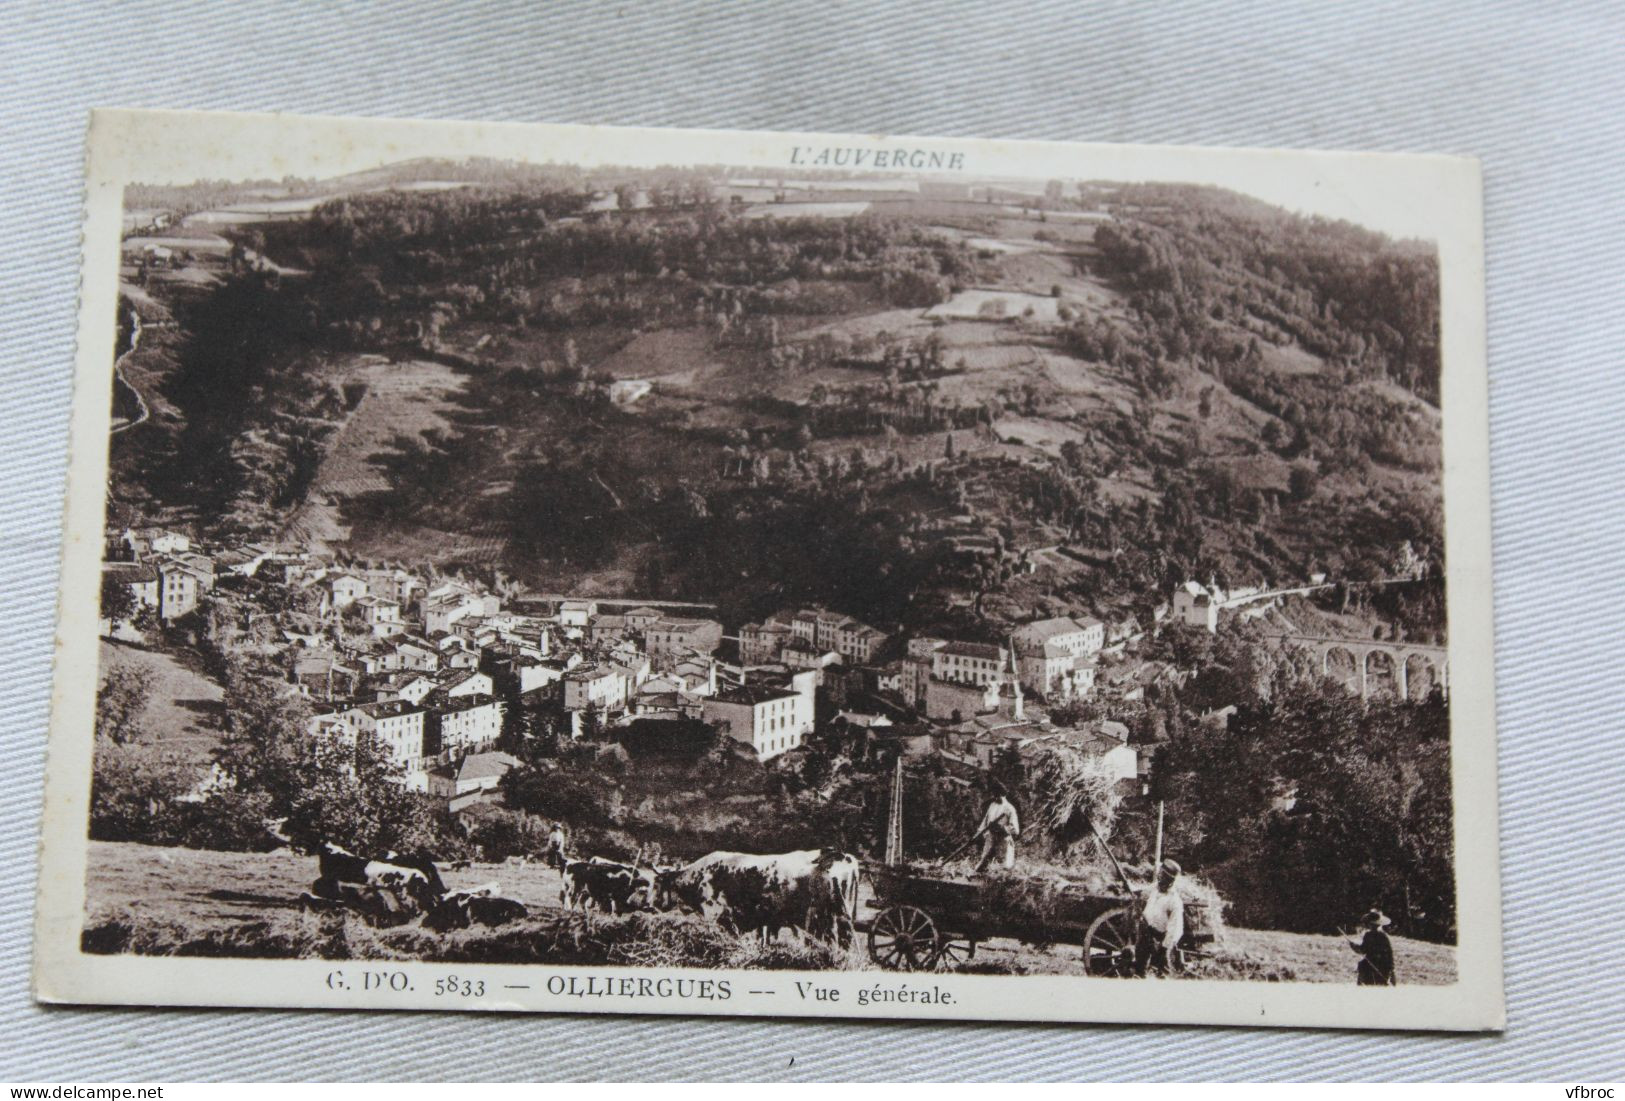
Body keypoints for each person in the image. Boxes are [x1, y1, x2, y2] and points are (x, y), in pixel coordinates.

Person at [1135, 858, 1185, 976]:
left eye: (1162, 875)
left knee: (1162, 971)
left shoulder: (1174, 901)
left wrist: (1163, 948)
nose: (1159, 876)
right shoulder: (1155, 888)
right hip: (1146, 932)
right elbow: (1142, 892)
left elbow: (1175, 929)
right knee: (1140, 966)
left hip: (1160, 939)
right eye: (1160, 873)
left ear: (1170, 880)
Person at [972, 782, 1021, 872]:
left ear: (1003, 794)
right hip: (991, 837)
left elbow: (1015, 829)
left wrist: (1002, 828)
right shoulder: (992, 805)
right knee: (983, 863)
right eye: (994, 795)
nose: (995, 797)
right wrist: (978, 833)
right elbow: (985, 822)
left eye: (997, 795)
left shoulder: (1009, 808)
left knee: (1005, 866)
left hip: (1003, 840)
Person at [1345, 909, 1397, 985]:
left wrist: (1354, 946)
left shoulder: (1372, 936)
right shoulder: (1381, 936)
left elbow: (1362, 950)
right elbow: (1389, 954)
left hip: (1374, 968)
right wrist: (1392, 971)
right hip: (1378, 967)